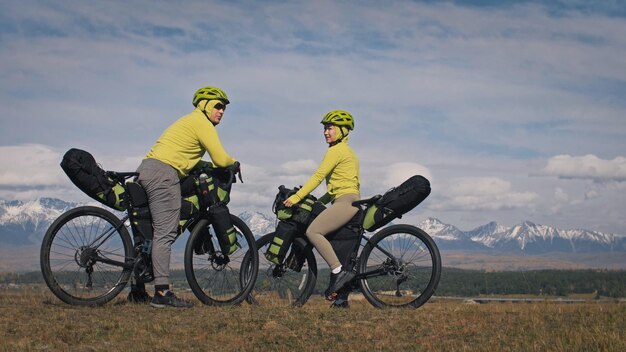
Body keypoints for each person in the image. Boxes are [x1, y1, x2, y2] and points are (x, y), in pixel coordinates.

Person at [129, 86, 238, 308]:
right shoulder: (202, 123)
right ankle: (161, 293)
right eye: (218, 106)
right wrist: (234, 164)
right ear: (204, 105)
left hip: (147, 169)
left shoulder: (188, 122)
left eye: (224, 108)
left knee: (148, 232)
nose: (222, 111)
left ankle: (137, 289)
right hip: (164, 174)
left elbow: (190, 157)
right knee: (165, 233)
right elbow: (220, 158)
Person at [283, 110, 360, 301]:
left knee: (313, 232)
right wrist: (318, 203)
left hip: (345, 202)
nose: (326, 132)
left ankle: (338, 270)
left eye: (330, 128)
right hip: (347, 200)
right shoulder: (347, 151)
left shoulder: (336, 150)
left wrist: (297, 197)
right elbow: (336, 188)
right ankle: (341, 297)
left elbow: (318, 177)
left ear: (343, 130)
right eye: (325, 128)